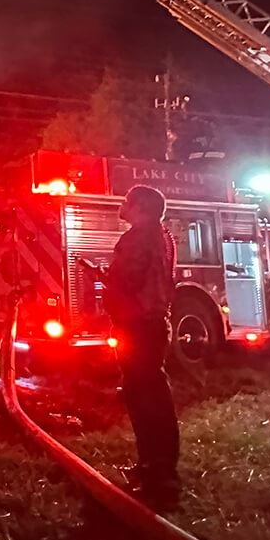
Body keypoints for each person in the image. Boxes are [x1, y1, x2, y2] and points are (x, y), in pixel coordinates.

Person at [99, 185, 180, 508]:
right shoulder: (163, 236)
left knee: (143, 397)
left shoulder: (136, 238)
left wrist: (106, 279)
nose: (123, 206)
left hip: (137, 326)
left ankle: (156, 476)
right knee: (153, 394)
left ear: (141, 208)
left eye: (127, 201)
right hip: (153, 324)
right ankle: (156, 467)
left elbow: (127, 280)